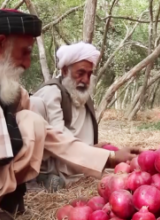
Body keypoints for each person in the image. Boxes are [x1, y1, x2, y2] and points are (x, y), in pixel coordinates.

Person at [0, 9, 140, 220]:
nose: (27, 64)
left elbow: (51, 135)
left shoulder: (11, 92)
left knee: (32, 123)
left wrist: (111, 157)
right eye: (24, 52)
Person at [30, 42, 108, 189]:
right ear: (65, 70)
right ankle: (41, 176)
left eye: (89, 74)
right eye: (80, 73)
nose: (85, 79)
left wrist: (95, 150)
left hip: (82, 160)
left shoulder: (82, 96)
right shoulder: (51, 92)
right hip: (59, 159)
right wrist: (96, 154)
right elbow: (58, 139)